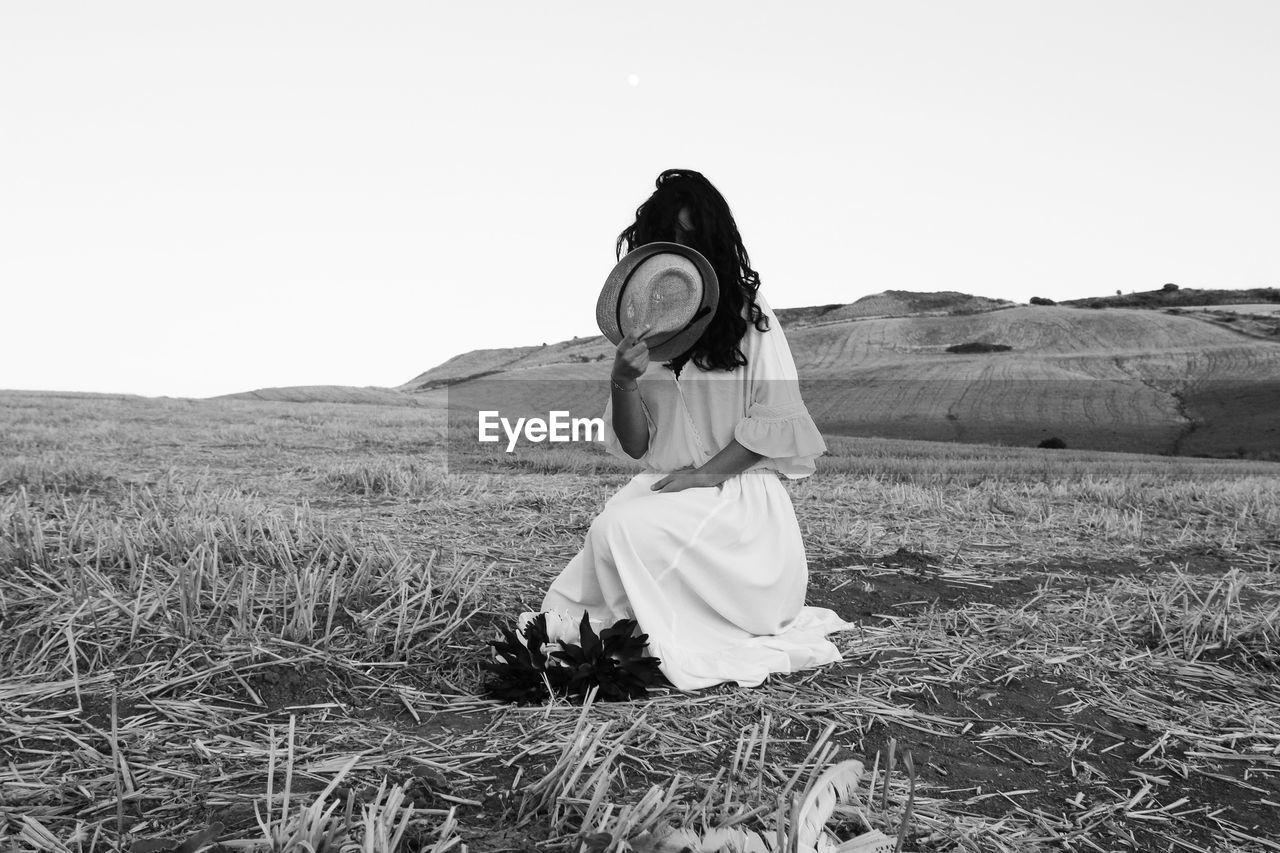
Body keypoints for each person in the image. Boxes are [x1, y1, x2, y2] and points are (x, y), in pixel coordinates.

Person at [540, 169, 852, 691]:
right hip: (670, 490)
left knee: (623, 529)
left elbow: (776, 420)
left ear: (715, 240)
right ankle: (637, 634)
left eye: (693, 236)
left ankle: (676, 630)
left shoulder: (751, 318)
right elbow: (638, 445)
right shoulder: (641, 331)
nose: (683, 248)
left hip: (738, 502)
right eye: (672, 237)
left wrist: (706, 476)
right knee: (575, 592)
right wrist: (622, 381)